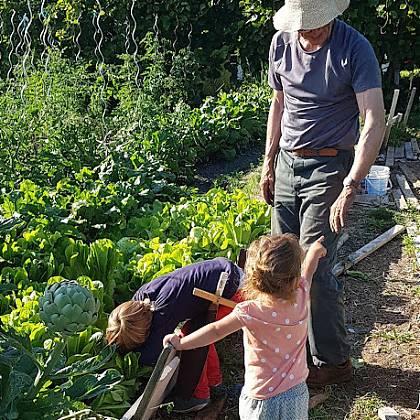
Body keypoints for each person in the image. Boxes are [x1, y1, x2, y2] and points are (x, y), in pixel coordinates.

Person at [260, 0, 386, 386]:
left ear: (332, 16)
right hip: (286, 163)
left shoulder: (354, 48)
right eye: (301, 25)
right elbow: (278, 103)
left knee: (313, 267)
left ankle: (333, 362)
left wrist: (351, 183)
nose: (307, 32)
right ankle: (290, 351)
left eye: (314, 24)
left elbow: (374, 119)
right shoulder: (281, 43)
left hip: (330, 167)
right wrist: (268, 162)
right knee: (279, 263)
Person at [164, 234, 327, 420]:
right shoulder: (301, 296)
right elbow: (308, 272)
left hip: (262, 399)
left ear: (255, 278)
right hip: (296, 393)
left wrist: (182, 343)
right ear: (293, 278)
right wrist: (313, 253)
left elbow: (215, 331)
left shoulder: (250, 312)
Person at [106, 257, 243, 413]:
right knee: (194, 331)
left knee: (193, 340)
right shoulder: (139, 301)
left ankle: (197, 397)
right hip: (224, 273)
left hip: (230, 290)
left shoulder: (162, 313)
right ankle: (215, 383)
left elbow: (150, 357)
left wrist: (132, 359)